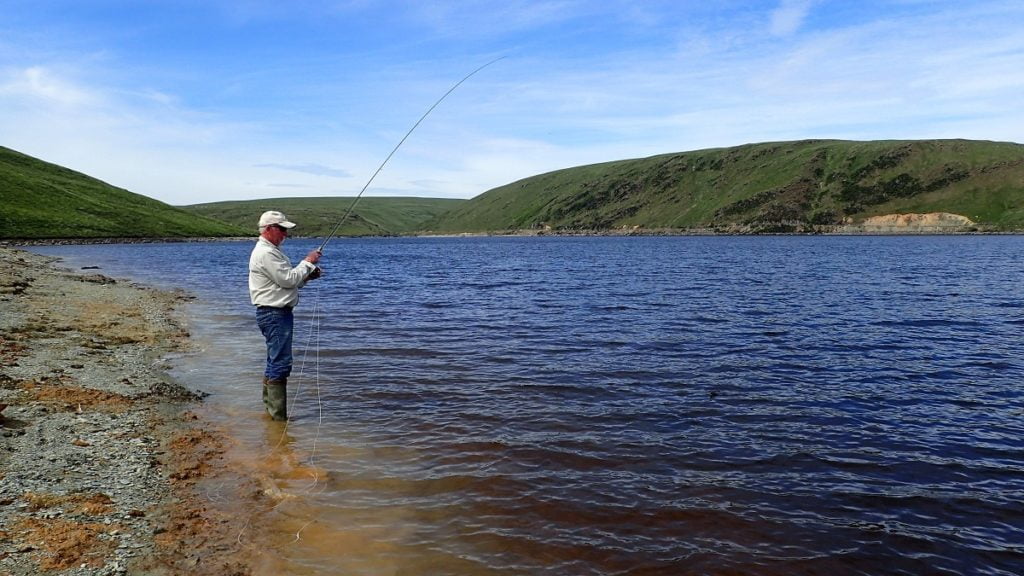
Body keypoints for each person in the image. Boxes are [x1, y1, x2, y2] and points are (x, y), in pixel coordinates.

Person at [248, 210, 322, 421]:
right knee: (280, 363)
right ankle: (278, 418)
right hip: (274, 314)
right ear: (269, 229)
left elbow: (286, 283)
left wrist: (308, 277)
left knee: (274, 361)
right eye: (282, 229)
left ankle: (271, 417)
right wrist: (308, 261)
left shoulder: (270, 251)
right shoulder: (266, 253)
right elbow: (289, 280)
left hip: (274, 313)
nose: (285, 234)